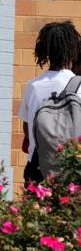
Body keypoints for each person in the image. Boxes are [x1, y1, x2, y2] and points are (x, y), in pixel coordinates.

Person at [19, 20, 81, 184]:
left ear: (46, 51)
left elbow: (27, 129)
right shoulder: (80, 86)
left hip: (38, 169)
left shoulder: (32, 87)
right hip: (72, 169)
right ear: (74, 50)